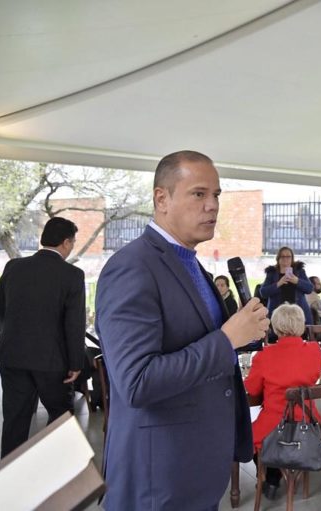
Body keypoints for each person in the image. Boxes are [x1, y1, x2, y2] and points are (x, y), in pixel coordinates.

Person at [95, 150, 270, 510]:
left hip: (197, 464)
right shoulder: (132, 267)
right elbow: (137, 382)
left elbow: (199, 343)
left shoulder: (191, 265)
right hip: (158, 477)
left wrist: (239, 333)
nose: (213, 206)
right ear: (162, 198)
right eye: (199, 194)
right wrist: (227, 339)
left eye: (217, 195)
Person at [0, 217, 86, 458]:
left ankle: (10, 473)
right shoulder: (72, 275)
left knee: (15, 418)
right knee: (60, 415)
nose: (72, 246)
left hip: (11, 354)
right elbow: (74, 324)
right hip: (52, 360)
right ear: (65, 243)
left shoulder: (14, 267)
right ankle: (52, 469)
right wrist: (76, 363)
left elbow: (2, 308)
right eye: (72, 242)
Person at [244, 304, 321, 500]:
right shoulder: (314, 351)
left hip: (274, 424)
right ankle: (275, 472)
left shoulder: (264, 356)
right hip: (307, 421)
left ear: (275, 328)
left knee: (245, 435)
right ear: (302, 326)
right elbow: (314, 377)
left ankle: (269, 475)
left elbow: (252, 390)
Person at [259, 246, 313, 331]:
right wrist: (278, 283)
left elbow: (309, 289)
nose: (285, 259)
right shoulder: (272, 273)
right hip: (278, 315)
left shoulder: (299, 271)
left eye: (288, 256)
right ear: (278, 259)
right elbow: (263, 292)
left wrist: (297, 281)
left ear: (292, 259)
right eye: (282, 256)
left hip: (297, 315)